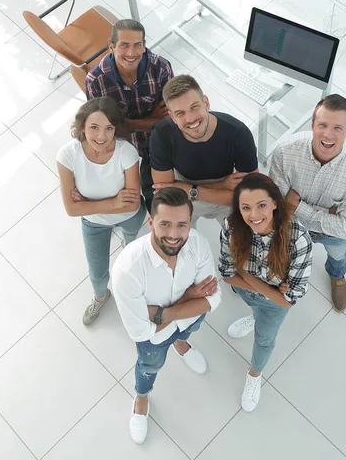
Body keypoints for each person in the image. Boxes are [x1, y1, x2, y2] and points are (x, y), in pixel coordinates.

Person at [111, 187, 221, 445]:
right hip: (153, 339)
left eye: (182, 224)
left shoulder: (197, 243)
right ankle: (141, 397)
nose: (174, 234)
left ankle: (181, 345)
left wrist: (162, 313)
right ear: (151, 222)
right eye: (165, 224)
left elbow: (213, 299)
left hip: (184, 321)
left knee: (187, 330)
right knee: (149, 367)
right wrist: (190, 297)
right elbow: (142, 332)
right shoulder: (127, 271)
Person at [269, 94, 346, 312]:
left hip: (330, 234)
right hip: (290, 224)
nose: (328, 134)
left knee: (338, 254)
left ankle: (337, 275)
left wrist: (297, 206)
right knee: (284, 253)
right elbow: (277, 203)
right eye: (323, 125)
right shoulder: (285, 152)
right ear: (312, 125)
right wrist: (329, 213)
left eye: (337, 128)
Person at [219, 173, 312, 412]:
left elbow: (288, 301)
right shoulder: (231, 227)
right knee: (254, 303)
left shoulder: (298, 239)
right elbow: (227, 273)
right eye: (246, 208)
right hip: (248, 293)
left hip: (273, 305)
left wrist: (247, 276)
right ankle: (254, 316)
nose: (254, 215)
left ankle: (254, 374)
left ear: (274, 203)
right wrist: (270, 289)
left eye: (261, 205)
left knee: (264, 340)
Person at [56, 97, 146, 326]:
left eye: (109, 128)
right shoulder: (68, 155)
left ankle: (127, 243)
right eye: (94, 128)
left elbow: (133, 204)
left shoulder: (127, 152)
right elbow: (71, 209)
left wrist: (87, 201)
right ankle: (101, 296)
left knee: (130, 240)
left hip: (129, 217)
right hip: (93, 223)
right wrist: (115, 202)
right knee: (97, 274)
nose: (101, 137)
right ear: (82, 127)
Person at [85, 19, 174, 212]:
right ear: (111, 46)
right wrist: (151, 119)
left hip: (157, 140)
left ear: (144, 47)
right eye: (124, 45)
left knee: (160, 194)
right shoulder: (96, 81)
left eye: (137, 45)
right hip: (118, 143)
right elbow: (104, 129)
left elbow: (169, 120)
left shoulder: (161, 69)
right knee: (118, 193)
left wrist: (123, 122)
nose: (131, 53)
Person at [150, 75, 258, 226]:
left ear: (206, 103)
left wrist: (191, 190)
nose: (190, 118)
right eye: (180, 113)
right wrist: (221, 186)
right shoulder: (161, 135)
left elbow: (251, 196)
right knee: (178, 245)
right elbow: (168, 194)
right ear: (172, 117)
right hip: (184, 202)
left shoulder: (238, 133)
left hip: (222, 202)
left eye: (194, 107)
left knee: (243, 246)